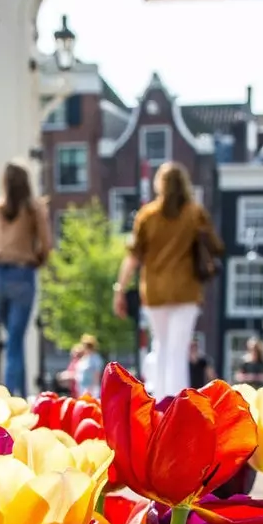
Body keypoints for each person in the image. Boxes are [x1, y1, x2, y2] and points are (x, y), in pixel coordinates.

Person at [112, 161, 225, 398]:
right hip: (186, 290)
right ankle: (177, 403)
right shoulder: (195, 213)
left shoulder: (147, 215)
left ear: (159, 185)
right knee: (178, 350)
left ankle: (161, 401)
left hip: (155, 291)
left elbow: (132, 258)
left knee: (161, 347)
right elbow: (216, 246)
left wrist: (120, 290)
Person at [0, 160, 51, 397]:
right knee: (15, 341)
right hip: (23, 276)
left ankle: (22, 396)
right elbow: (46, 246)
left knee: (14, 340)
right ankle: (10, 396)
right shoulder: (34, 211)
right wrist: (36, 260)